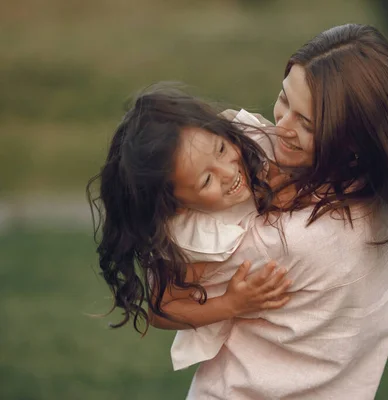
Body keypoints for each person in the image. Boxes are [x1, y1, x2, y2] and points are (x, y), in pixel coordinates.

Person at [150, 23, 388, 399]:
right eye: (284, 100)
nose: (280, 128)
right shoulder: (380, 195)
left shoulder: (291, 239)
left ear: (353, 136)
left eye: (306, 124)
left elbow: (164, 295)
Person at [87, 87, 294, 349]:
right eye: (206, 180)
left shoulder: (251, 142)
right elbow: (162, 310)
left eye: (220, 149)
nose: (228, 172)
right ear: (178, 206)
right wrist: (231, 304)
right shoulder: (201, 235)